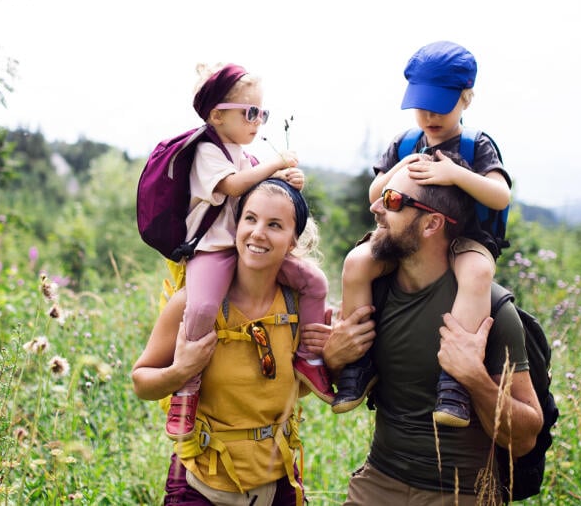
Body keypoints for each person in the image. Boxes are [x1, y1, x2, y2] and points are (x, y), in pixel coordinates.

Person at [323, 160, 542, 504]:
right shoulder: (374, 293)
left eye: (393, 201)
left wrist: (474, 378)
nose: (376, 208)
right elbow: (343, 385)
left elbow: (526, 438)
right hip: (378, 481)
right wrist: (334, 358)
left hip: (461, 493)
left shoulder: (494, 311)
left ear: (432, 224)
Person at [334, 41, 512, 428]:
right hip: (408, 235)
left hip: (464, 239)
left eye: (440, 105)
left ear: (466, 99)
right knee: (357, 262)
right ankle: (359, 361)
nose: (429, 115)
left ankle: (455, 381)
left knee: (478, 274)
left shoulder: (475, 146)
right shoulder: (406, 143)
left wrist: (455, 175)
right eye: (422, 105)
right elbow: (373, 195)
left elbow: (500, 195)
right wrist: (397, 169)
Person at [132, 179, 330, 506]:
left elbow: (304, 384)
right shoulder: (193, 303)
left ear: (294, 241)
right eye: (250, 219)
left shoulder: (299, 306)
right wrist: (181, 370)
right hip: (198, 483)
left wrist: (337, 350)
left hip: (277, 480)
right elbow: (141, 383)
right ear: (236, 226)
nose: (258, 233)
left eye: (275, 225)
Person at [166, 63, 334, 441]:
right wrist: (276, 163)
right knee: (204, 306)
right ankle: (187, 386)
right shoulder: (208, 151)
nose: (258, 121)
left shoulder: (243, 153)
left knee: (313, 280)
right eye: (251, 112)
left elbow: (263, 191)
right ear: (217, 115)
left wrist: (287, 180)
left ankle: (309, 357)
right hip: (214, 248)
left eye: (263, 113)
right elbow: (235, 186)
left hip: (247, 247)